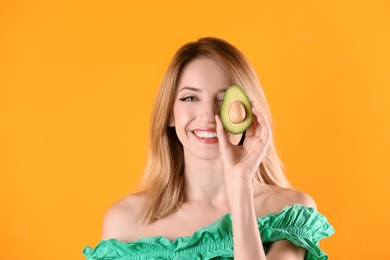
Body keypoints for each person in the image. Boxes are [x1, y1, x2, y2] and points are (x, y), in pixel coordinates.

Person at [83, 37, 334, 259]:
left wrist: (239, 182)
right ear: (170, 114)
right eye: (190, 98)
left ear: (249, 113)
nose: (208, 115)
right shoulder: (123, 221)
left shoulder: (289, 211)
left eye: (225, 100)